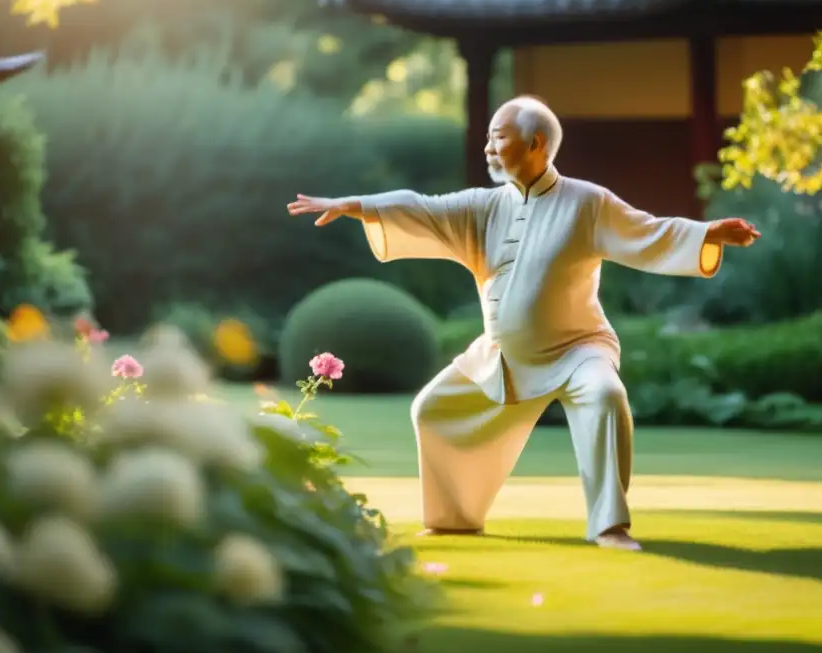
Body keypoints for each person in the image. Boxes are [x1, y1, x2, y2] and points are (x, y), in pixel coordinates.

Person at [287, 95, 760, 550]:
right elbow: (421, 206)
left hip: (578, 350)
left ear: (536, 144)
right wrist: (355, 204)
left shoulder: (586, 202)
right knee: (432, 409)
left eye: (498, 137)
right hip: (501, 355)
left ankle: (610, 526)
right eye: (490, 138)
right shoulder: (485, 205)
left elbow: (646, 229)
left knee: (607, 395)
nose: (488, 148)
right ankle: (455, 519)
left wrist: (706, 233)